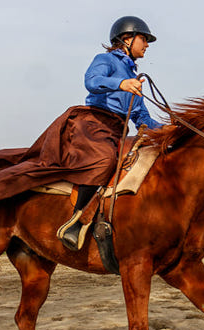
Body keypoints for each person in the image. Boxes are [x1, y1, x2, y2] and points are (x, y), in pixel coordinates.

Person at [57, 15, 163, 250]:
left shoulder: (134, 77)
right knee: (105, 160)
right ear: (127, 38)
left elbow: (142, 118)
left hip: (117, 130)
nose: (147, 45)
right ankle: (75, 221)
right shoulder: (105, 59)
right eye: (144, 39)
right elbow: (91, 81)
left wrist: (169, 130)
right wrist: (120, 84)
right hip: (94, 125)